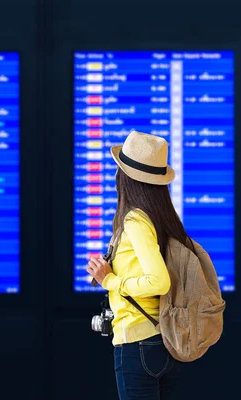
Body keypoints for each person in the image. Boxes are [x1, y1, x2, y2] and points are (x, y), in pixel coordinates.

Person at [86, 130, 195, 400]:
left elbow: (159, 281)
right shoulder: (162, 218)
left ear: (125, 179)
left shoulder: (135, 220)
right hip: (166, 341)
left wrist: (108, 279)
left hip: (137, 344)